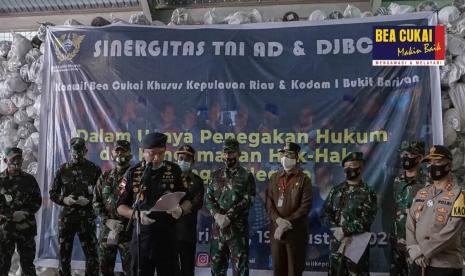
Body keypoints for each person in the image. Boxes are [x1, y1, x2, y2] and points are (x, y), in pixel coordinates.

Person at [117, 132, 185, 276]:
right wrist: (136, 214)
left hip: (167, 237)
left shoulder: (174, 170)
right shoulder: (133, 172)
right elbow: (120, 206)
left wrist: (181, 210)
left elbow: (188, 199)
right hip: (142, 238)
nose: (157, 158)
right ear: (143, 152)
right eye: (152, 153)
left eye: (161, 153)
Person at [406, 145, 464, 276]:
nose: (432, 166)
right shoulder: (421, 193)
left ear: (448, 165)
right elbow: (410, 223)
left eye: (437, 162)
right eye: (430, 163)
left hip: (444, 266)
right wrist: (414, 250)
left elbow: (452, 231)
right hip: (418, 262)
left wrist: (423, 250)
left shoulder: (460, 195)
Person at [49, 137, 101, 276]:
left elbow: (101, 195)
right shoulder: (62, 170)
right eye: (74, 151)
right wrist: (64, 199)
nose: (77, 154)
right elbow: (52, 193)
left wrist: (89, 201)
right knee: (64, 255)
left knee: (92, 255)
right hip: (67, 218)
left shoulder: (94, 170)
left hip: (87, 218)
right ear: (69, 151)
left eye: (80, 151)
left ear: (85, 151)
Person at [206, 138, 256, 276]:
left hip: (237, 231)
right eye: (226, 153)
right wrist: (217, 215)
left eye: (232, 153)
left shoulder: (246, 176)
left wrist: (229, 216)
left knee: (240, 271)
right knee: (216, 270)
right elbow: (208, 198)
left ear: (239, 154)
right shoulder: (215, 175)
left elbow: (248, 200)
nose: (228, 156)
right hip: (218, 231)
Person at [323, 152, 377, 276]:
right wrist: (336, 230)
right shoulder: (336, 190)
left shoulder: (369, 192)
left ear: (360, 167)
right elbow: (326, 213)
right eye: (346, 167)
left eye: (352, 165)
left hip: (357, 245)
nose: (349, 169)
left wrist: (345, 230)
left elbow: (367, 219)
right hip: (337, 243)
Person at [265, 142, 312, 276]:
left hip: (295, 232)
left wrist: (286, 223)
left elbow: (305, 207)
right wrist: (278, 221)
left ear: (296, 158)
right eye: (284, 154)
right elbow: (269, 203)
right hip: (277, 232)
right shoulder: (274, 178)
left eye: (290, 154)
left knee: (294, 271)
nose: (286, 157)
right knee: (278, 269)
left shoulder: (304, 179)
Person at [93, 140, 133, 275]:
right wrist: (107, 221)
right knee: (104, 270)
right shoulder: (104, 177)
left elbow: (141, 203)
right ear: (113, 154)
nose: (120, 154)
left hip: (129, 230)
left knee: (131, 271)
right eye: (117, 151)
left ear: (130, 154)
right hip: (108, 230)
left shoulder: (136, 176)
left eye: (123, 151)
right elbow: (96, 202)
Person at [0, 147, 41, 275]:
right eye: (13, 160)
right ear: (5, 160)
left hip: (26, 229)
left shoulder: (29, 180)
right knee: (2, 265)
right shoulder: (1, 180)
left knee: (28, 266)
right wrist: (11, 215)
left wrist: (25, 214)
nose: (17, 163)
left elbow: (37, 201)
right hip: (5, 230)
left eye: (19, 160)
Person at [390, 141, 427, 276]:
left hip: (416, 244)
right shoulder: (397, 181)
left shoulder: (427, 182)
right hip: (397, 240)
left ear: (420, 158)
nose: (405, 157)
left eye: (410, 154)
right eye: (403, 154)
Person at [174, 145, 205, 276]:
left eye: (187, 159)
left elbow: (196, 203)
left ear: (193, 162)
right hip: (168, 232)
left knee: (187, 269)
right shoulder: (169, 178)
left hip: (187, 233)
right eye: (181, 158)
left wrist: (181, 208)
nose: (183, 161)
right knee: (169, 268)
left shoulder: (197, 182)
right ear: (176, 159)